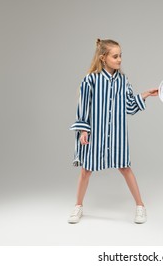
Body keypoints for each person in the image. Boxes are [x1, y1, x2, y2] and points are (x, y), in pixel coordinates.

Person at [68, 39, 158, 224]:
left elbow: (130, 106)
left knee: (125, 167)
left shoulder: (123, 80)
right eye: (115, 56)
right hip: (96, 134)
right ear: (103, 58)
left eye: (120, 56)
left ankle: (140, 206)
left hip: (117, 135)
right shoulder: (90, 80)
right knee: (86, 170)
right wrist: (83, 130)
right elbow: (83, 107)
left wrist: (146, 94)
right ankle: (78, 206)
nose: (119, 60)